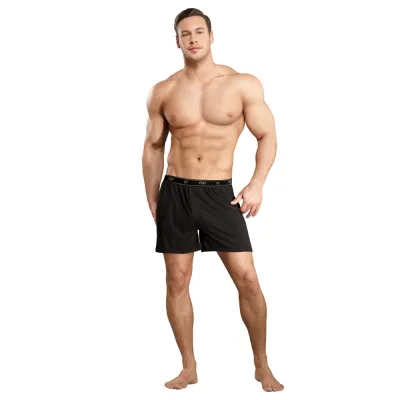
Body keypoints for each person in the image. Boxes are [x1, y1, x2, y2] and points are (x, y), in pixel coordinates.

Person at [142, 8, 284, 392]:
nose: (192, 39)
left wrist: (256, 184)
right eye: (184, 33)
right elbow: (153, 147)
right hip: (176, 191)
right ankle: (188, 367)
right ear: (176, 41)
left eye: (199, 32)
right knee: (177, 280)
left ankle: (262, 365)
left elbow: (267, 136)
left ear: (211, 36)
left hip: (221, 194)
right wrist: (152, 198)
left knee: (247, 278)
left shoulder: (242, 84)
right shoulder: (164, 91)